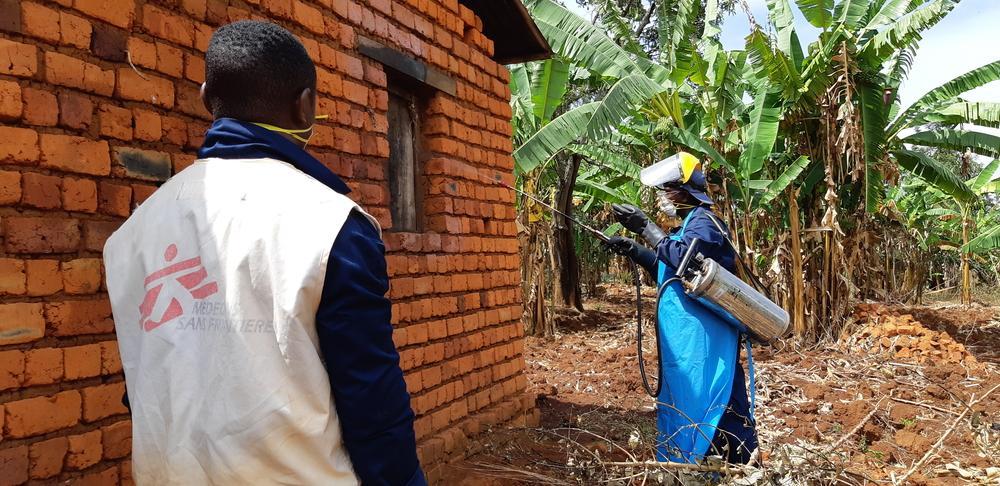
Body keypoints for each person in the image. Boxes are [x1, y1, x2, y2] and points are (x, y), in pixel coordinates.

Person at [104, 21, 425, 485]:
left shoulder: (130, 236)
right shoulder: (332, 225)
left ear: (204, 99)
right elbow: (371, 399)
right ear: (306, 105)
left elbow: (145, 379)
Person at [606, 153, 758, 464]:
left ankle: (738, 466)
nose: (662, 200)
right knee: (685, 400)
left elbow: (685, 260)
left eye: (665, 193)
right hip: (683, 342)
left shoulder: (705, 222)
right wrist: (636, 251)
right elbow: (671, 272)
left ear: (681, 192)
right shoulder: (686, 226)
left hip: (705, 338)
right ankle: (690, 464)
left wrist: (645, 227)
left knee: (717, 399)